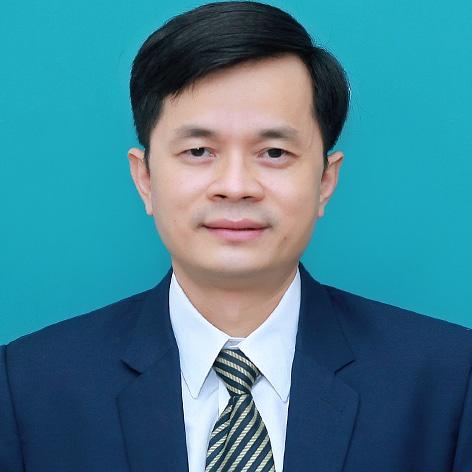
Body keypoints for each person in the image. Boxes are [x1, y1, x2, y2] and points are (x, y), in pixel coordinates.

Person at [1, 1, 471, 471]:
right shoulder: (28, 388)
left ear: (325, 181)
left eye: (274, 152)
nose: (236, 186)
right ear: (144, 178)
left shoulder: (449, 380)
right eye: (199, 151)